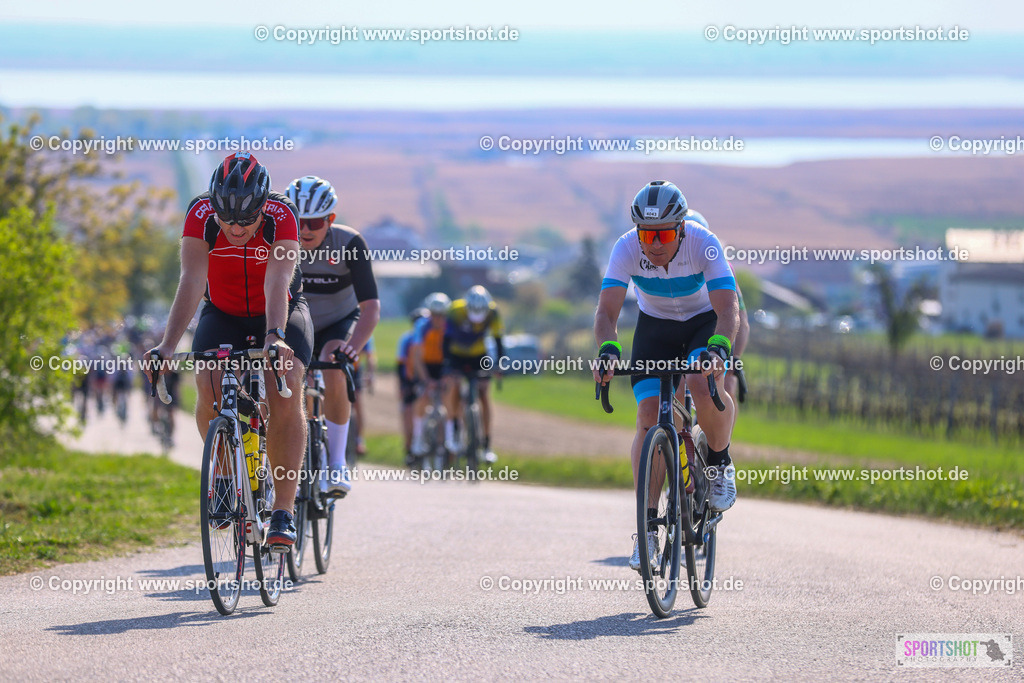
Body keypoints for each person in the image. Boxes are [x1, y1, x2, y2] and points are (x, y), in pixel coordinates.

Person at [145, 152, 312, 550]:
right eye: (227, 219)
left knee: (285, 385)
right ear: (214, 205)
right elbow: (191, 279)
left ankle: (284, 512)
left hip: (280, 309)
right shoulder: (200, 213)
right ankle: (223, 476)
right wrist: (168, 346)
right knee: (209, 381)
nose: (236, 228)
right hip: (224, 311)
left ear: (261, 207)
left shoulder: (281, 215)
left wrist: (275, 335)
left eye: (246, 220)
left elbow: (278, 278)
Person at [592, 181, 740, 573]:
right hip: (655, 327)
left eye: (663, 234)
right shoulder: (625, 248)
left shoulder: (703, 243)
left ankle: (720, 462)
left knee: (698, 383)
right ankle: (648, 530)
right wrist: (608, 350)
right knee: (648, 417)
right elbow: (606, 314)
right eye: (647, 234)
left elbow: (728, 310)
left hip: (701, 323)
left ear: (681, 228)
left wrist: (721, 346)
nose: (654, 243)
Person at [286, 174, 379, 495]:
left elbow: (370, 307)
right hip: (297, 320)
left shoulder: (349, 243)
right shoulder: (279, 243)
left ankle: (337, 462)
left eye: (315, 222)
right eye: (299, 221)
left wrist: (353, 348)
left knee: (333, 363)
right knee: (281, 377)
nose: (306, 230)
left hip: (339, 321)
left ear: (331, 219)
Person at [443, 285, 503, 463]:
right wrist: (447, 365)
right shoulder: (455, 310)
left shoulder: (493, 312)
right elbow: (445, 340)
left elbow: (498, 340)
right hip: (456, 354)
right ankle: (454, 427)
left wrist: (499, 365)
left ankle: (486, 444)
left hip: (479, 355)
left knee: (484, 393)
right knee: (454, 385)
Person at [409, 293, 451, 458]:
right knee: (423, 397)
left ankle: (450, 436)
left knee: (451, 397)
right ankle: (418, 438)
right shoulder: (422, 326)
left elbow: (452, 354)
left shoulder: (450, 326)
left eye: (442, 315)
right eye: (434, 314)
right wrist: (426, 380)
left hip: (443, 365)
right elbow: (417, 357)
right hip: (425, 365)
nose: (438, 318)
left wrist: (447, 376)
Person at [397, 308, 429, 462]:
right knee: (408, 413)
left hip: (426, 379)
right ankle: (409, 449)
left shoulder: (432, 337)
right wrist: (402, 387)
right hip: (410, 381)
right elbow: (400, 365)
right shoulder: (407, 340)